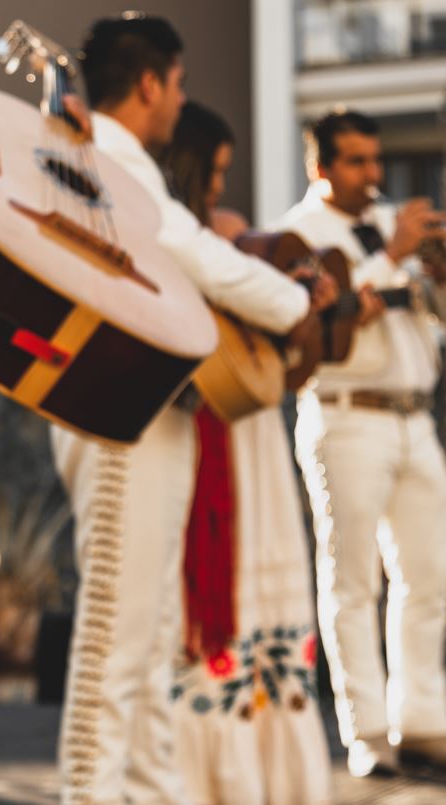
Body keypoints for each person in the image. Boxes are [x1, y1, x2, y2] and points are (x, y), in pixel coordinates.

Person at [51, 15, 319, 804]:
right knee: (115, 636)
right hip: (116, 414)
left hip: (145, 412)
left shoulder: (96, 152)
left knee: (149, 639)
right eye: (177, 83)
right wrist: (291, 300)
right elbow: (194, 254)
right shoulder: (106, 156)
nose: (179, 99)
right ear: (149, 84)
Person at [161, 100, 332, 805]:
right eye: (216, 170)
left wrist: (311, 311)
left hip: (249, 427)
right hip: (195, 431)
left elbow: (290, 368)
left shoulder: (234, 236)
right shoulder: (186, 238)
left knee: (262, 606)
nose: (220, 187)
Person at [280, 109, 446, 777]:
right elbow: (309, 316)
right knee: (351, 578)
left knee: (428, 576)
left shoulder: (386, 229)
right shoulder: (297, 233)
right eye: (355, 161)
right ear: (320, 166)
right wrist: (391, 257)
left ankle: (423, 720)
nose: (373, 175)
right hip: (344, 414)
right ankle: (366, 732)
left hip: (415, 416)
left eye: (375, 160)